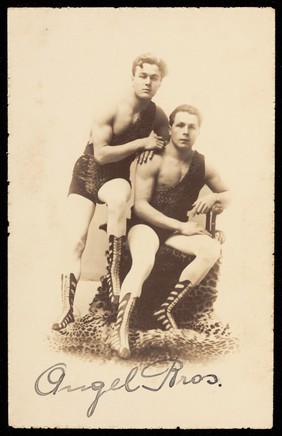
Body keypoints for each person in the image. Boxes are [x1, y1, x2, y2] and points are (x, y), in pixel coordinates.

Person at [52, 53, 169, 331]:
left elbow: (165, 142)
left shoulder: (158, 114)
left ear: (160, 82)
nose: (148, 82)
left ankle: (114, 276)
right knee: (76, 241)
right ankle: (66, 309)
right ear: (133, 78)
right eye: (143, 76)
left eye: (154, 78)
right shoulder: (109, 106)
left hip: (115, 178)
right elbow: (101, 154)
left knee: (119, 199)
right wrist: (143, 143)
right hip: (86, 174)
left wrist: (154, 150)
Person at [110, 104, 230, 358]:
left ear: (199, 131)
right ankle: (119, 329)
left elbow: (232, 194)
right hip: (146, 227)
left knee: (211, 249)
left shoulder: (203, 164)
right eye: (180, 125)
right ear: (171, 128)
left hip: (177, 231)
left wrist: (216, 197)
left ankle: (165, 309)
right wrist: (180, 226)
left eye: (192, 126)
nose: (185, 131)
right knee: (143, 260)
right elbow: (140, 207)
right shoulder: (152, 158)